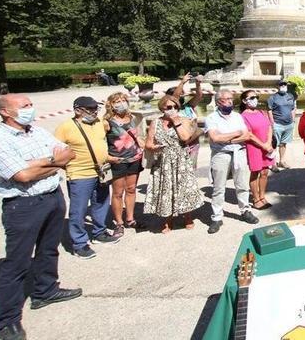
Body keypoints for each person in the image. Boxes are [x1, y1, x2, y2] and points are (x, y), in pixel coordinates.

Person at [0, 94, 81, 340]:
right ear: (6, 112)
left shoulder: (37, 132)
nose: (30, 109)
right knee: (17, 263)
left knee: (48, 250)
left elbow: (68, 154)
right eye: (24, 106)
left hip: (52, 198)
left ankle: (45, 291)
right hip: (23, 206)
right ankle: (7, 321)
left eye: (30, 105)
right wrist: (53, 161)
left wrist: (41, 163)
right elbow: (22, 176)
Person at [54, 96, 120, 258]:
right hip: (80, 174)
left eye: (95, 109)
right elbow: (55, 152)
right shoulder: (65, 127)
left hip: (101, 172)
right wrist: (69, 167)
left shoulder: (99, 123)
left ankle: (99, 232)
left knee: (101, 202)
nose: (94, 112)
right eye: (90, 110)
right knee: (79, 209)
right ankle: (80, 243)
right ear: (78, 110)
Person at [145, 95, 204, 233]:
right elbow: (148, 143)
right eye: (169, 107)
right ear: (162, 108)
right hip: (163, 161)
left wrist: (176, 121)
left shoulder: (183, 120)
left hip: (180, 160)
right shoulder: (155, 123)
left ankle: (188, 217)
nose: (172, 110)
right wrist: (154, 147)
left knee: (184, 188)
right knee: (166, 190)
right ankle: (168, 219)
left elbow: (185, 137)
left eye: (175, 107)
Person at [205, 90, 260, 234]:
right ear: (218, 102)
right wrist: (236, 134)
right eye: (226, 99)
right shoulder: (211, 118)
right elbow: (215, 138)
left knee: (242, 184)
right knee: (218, 187)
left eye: (231, 98)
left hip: (239, 152)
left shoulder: (237, 116)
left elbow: (246, 135)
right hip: (220, 154)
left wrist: (227, 138)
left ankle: (245, 210)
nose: (230, 101)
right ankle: (217, 217)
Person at [103, 92, 144, 238]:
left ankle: (130, 219)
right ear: (111, 105)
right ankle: (119, 223)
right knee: (118, 193)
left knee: (131, 189)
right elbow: (101, 142)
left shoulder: (132, 117)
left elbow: (137, 136)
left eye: (123, 100)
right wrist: (107, 157)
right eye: (117, 101)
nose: (121, 103)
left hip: (134, 158)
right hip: (117, 161)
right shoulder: (107, 122)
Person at [239, 90, 276, 210]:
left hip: (267, 146)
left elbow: (269, 126)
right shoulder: (243, 116)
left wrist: (269, 143)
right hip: (254, 147)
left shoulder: (261, 112)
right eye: (252, 97)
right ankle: (255, 199)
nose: (255, 99)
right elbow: (249, 134)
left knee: (265, 172)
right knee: (255, 172)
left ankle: (262, 196)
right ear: (245, 101)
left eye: (256, 97)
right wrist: (263, 145)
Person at [165, 74, 204, 167]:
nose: (182, 95)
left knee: (191, 169)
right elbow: (175, 98)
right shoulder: (171, 110)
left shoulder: (188, 106)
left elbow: (199, 96)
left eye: (182, 93)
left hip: (193, 143)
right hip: (179, 144)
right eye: (180, 93)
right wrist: (182, 82)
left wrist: (198, 84)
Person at [267, 79, 296, 171]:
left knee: (283, 144)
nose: (283, 86)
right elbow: (269, 110)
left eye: (284, 85)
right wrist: (272, 123)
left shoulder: (290, 96)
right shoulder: (272, 98)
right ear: (277, 87)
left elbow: (293, 108)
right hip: (277, 124)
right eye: (281, 85)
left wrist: (293, 120)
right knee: (274, 145)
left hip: (288, 124)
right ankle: (273, 163)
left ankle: (282, 161)